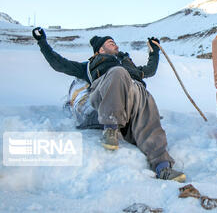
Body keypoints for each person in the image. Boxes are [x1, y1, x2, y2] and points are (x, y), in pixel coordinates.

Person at [32, 27, 186, 182]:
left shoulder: (128, 63)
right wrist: (42, 42)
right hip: (104, 95)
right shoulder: (89, 66)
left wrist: (154, 52)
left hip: (131, 100)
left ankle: (162, 167)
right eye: (111, 43)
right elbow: (59, 64)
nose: (116, 46)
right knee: (118, 72)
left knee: (146, 98)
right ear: (100, 49)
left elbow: (150, 70)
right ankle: (110, 130)